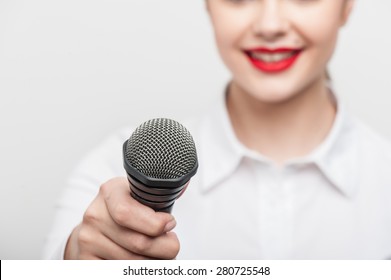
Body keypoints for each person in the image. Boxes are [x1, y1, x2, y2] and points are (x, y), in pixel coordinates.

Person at [43, 0, 391, 259]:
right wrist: (76, 256)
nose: (270, 25)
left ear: (347, 6)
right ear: (208, 6)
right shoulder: (112, 168)